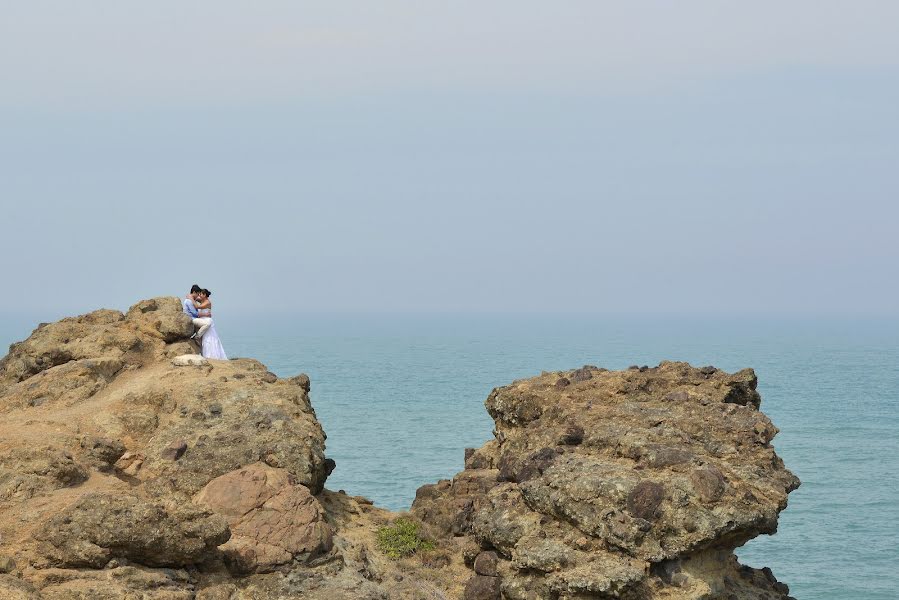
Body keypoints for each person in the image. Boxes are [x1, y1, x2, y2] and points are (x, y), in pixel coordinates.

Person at [195, 288, 228, 360]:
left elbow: (197, 306)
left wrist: (191, 299)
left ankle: (211, 356)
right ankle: (204, 355)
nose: (199, 295)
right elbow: (196, 298)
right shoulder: (202, 300)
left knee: (209, 338)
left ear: (205, 295)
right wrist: (193, 297)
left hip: (207, 321)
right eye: (199, 293)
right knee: (204, 339)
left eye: (201, 294)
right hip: (203, 321)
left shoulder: (207, 302)